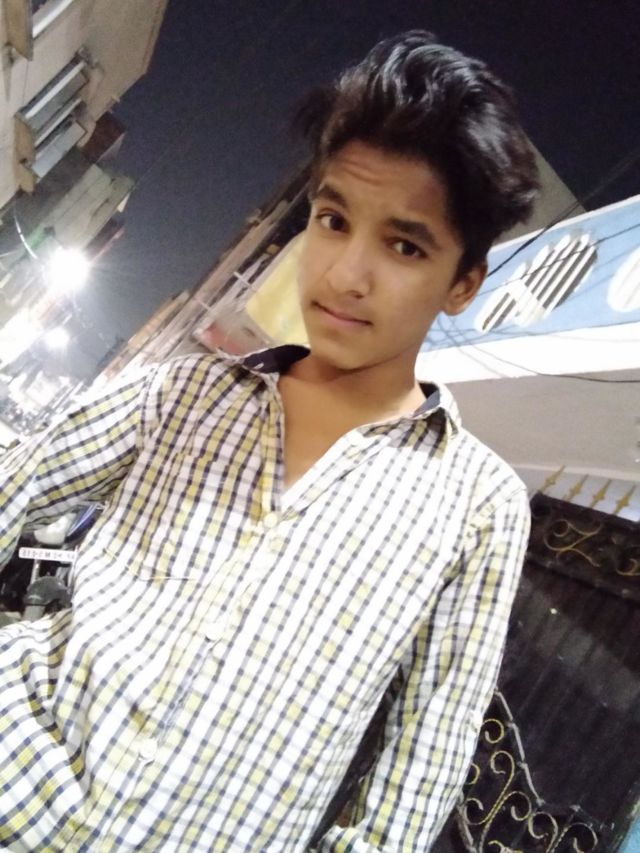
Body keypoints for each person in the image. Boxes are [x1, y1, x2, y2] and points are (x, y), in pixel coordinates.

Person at [0, 30, 539, 851]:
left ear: (462, 282)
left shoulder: (478, 505)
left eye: (404, 244)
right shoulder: (185, 393)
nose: (345, 273)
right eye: (333, 219)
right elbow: (17, 481)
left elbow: (421, 763)